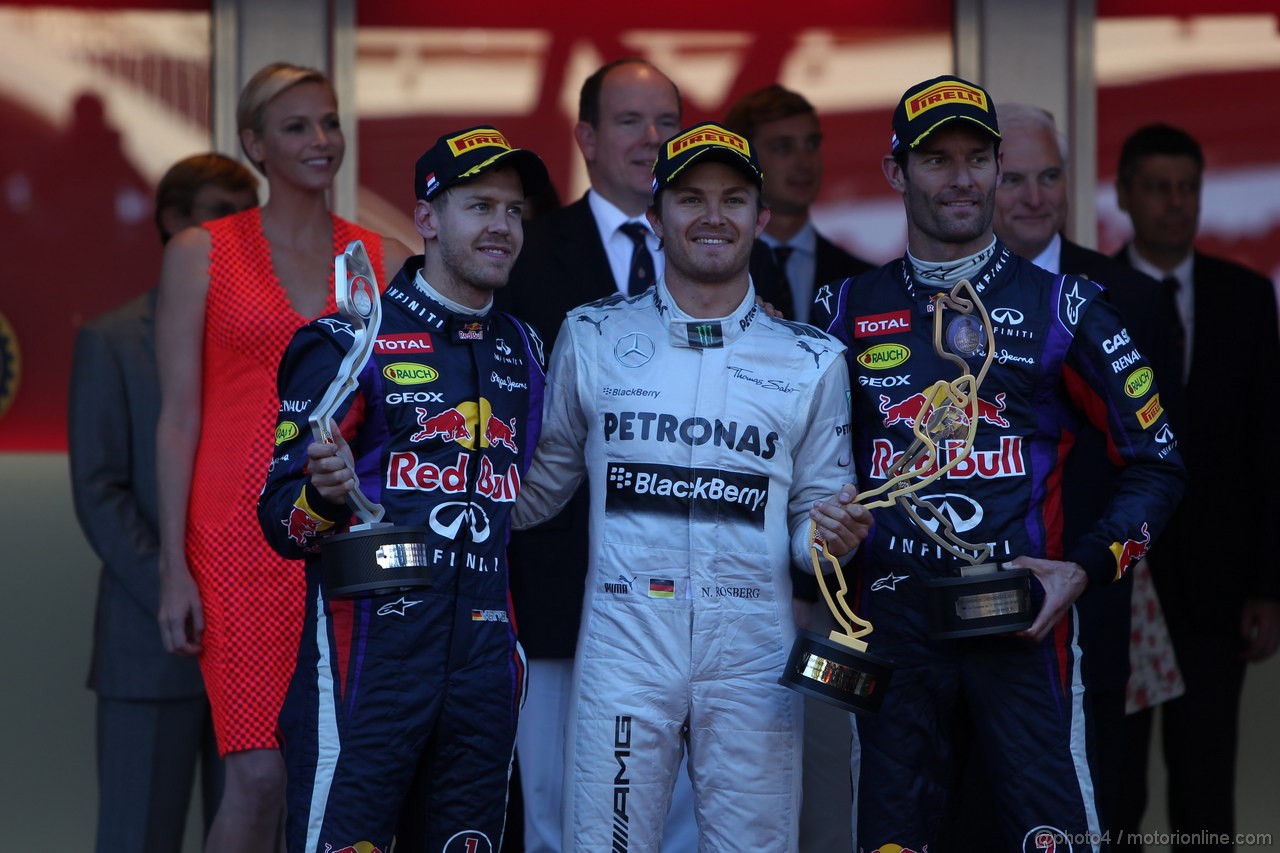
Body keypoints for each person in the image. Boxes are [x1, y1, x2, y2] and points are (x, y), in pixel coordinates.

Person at [810, 76, 1186, 851]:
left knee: (1051, 836)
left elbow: (1159, 463)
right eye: (937, 159)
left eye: (977, 158)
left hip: (1021, 623)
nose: (960, 178)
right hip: (888, 629)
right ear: (895, 172)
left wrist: (1081, 569)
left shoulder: (1065, 307)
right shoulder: (839, 311)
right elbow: (804, 472)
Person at [513, 121, 872, 853]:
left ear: (761, 219)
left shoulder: (811, 358)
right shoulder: (592, 334)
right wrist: (432, 475)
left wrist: (829, 536)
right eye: (690, 199)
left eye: (734, 199)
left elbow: (812, 530)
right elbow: (533, 492)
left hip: (753, 650)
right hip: (624, 642)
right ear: (656, 217)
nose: (713, 216)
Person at [258, 125, 550, 853]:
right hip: (370, 657)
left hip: (484, 660)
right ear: (426, 218)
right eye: (480, 206)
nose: (501, 228)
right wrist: (322, 497)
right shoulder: (348, 338)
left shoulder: (525, 347)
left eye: (514, 212)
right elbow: (279, 523)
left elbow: (533, 492)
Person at [155, 62, 410, 853]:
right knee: (260, 775)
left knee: (337, 772)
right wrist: (173, 567)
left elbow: (408, 409)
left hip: (346, 534)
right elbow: (177, 418)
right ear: (254, 144)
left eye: (329, 122)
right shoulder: (202, 252)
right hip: (236, 541)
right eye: (297, 126)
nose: (321, 140)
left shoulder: (384, 257)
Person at [935, 102, 1187, 847]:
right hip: (940, 627)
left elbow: (1160, 463)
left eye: (1050, 176)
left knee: (1096, 812)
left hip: (1088, 615)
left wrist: (1089, 571)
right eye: (1013, 177)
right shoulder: (908, 298)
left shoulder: (1129, 298)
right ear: (976, 182)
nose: (1035, 196)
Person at [493, 57, 700, 853]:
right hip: (557, 582)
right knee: (554, 807)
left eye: (668, 121)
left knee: (682, 813)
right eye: (630, 121)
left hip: (695, 583)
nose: (653, 139)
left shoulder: (726, 245)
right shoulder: (524, 250)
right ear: (584, 137)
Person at [69, 153, 258, 853]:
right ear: (174, 221)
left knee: (256, 829)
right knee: (136, 836)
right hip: (150, 641)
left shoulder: (266, 343)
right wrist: (180, 579)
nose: (238, 231)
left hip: (255, 638)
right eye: (220, 214)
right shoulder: (113, 340)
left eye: (249, 215)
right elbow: (99, 487)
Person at [1112, 123, 1280, 849]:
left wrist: (1269, 586)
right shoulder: (1092, 295)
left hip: (1218, 590)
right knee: (1113, 786)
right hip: (1121, 586)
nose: (1175, 204)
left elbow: (1267, 449)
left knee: (1206, 790)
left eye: (1187, 188)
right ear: (1123, 196)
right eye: (1158, 187)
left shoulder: (1245, 297)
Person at [724, 84, 873, 324]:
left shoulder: (862, 280)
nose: (805, 162)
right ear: (742, 159)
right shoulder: (710, 270)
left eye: (812, 144)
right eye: (783, 147)